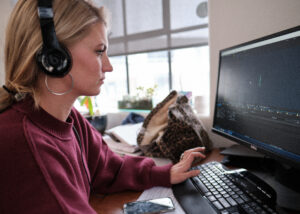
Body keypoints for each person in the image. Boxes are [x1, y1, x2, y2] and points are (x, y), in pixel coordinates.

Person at [0, 0, 206, 213]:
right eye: (99, 51)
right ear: (54, 58)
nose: (109, 66)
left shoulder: (70, 120)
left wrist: (165, 173)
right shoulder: (22, 144)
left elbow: (108, 168)